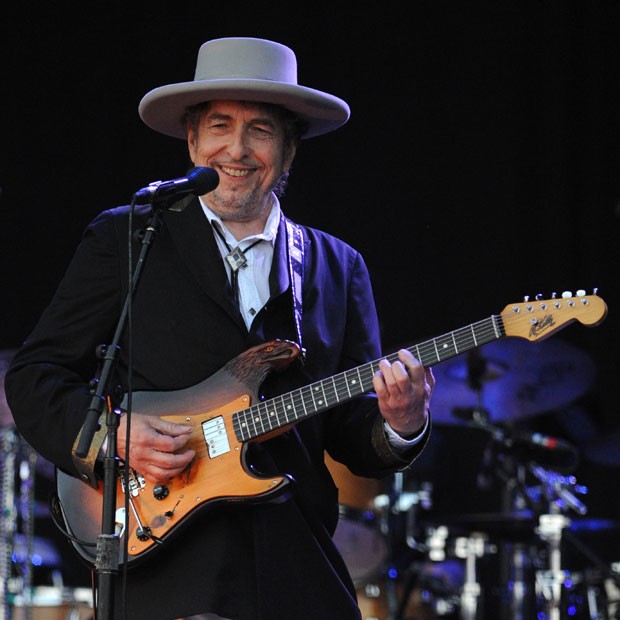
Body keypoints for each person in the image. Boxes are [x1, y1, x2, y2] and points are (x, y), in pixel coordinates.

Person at [4, 37, 434, 620]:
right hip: (163, 565)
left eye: (259, 130)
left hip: (295, 563)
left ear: (288, 151)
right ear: (192, 140)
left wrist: (401, 423)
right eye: (219, 126)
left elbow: (353, 436)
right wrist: (114, 437)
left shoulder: (337, 266)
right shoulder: (127, 238)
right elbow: (34, 376)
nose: (236, 149)